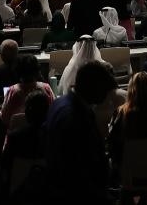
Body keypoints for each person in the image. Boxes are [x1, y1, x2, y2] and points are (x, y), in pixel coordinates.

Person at [45, 60, 117, 203]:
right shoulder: (77, 116)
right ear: (94, 88)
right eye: (104, 90)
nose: (106, 96)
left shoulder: (58, 103)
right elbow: (83, 163)